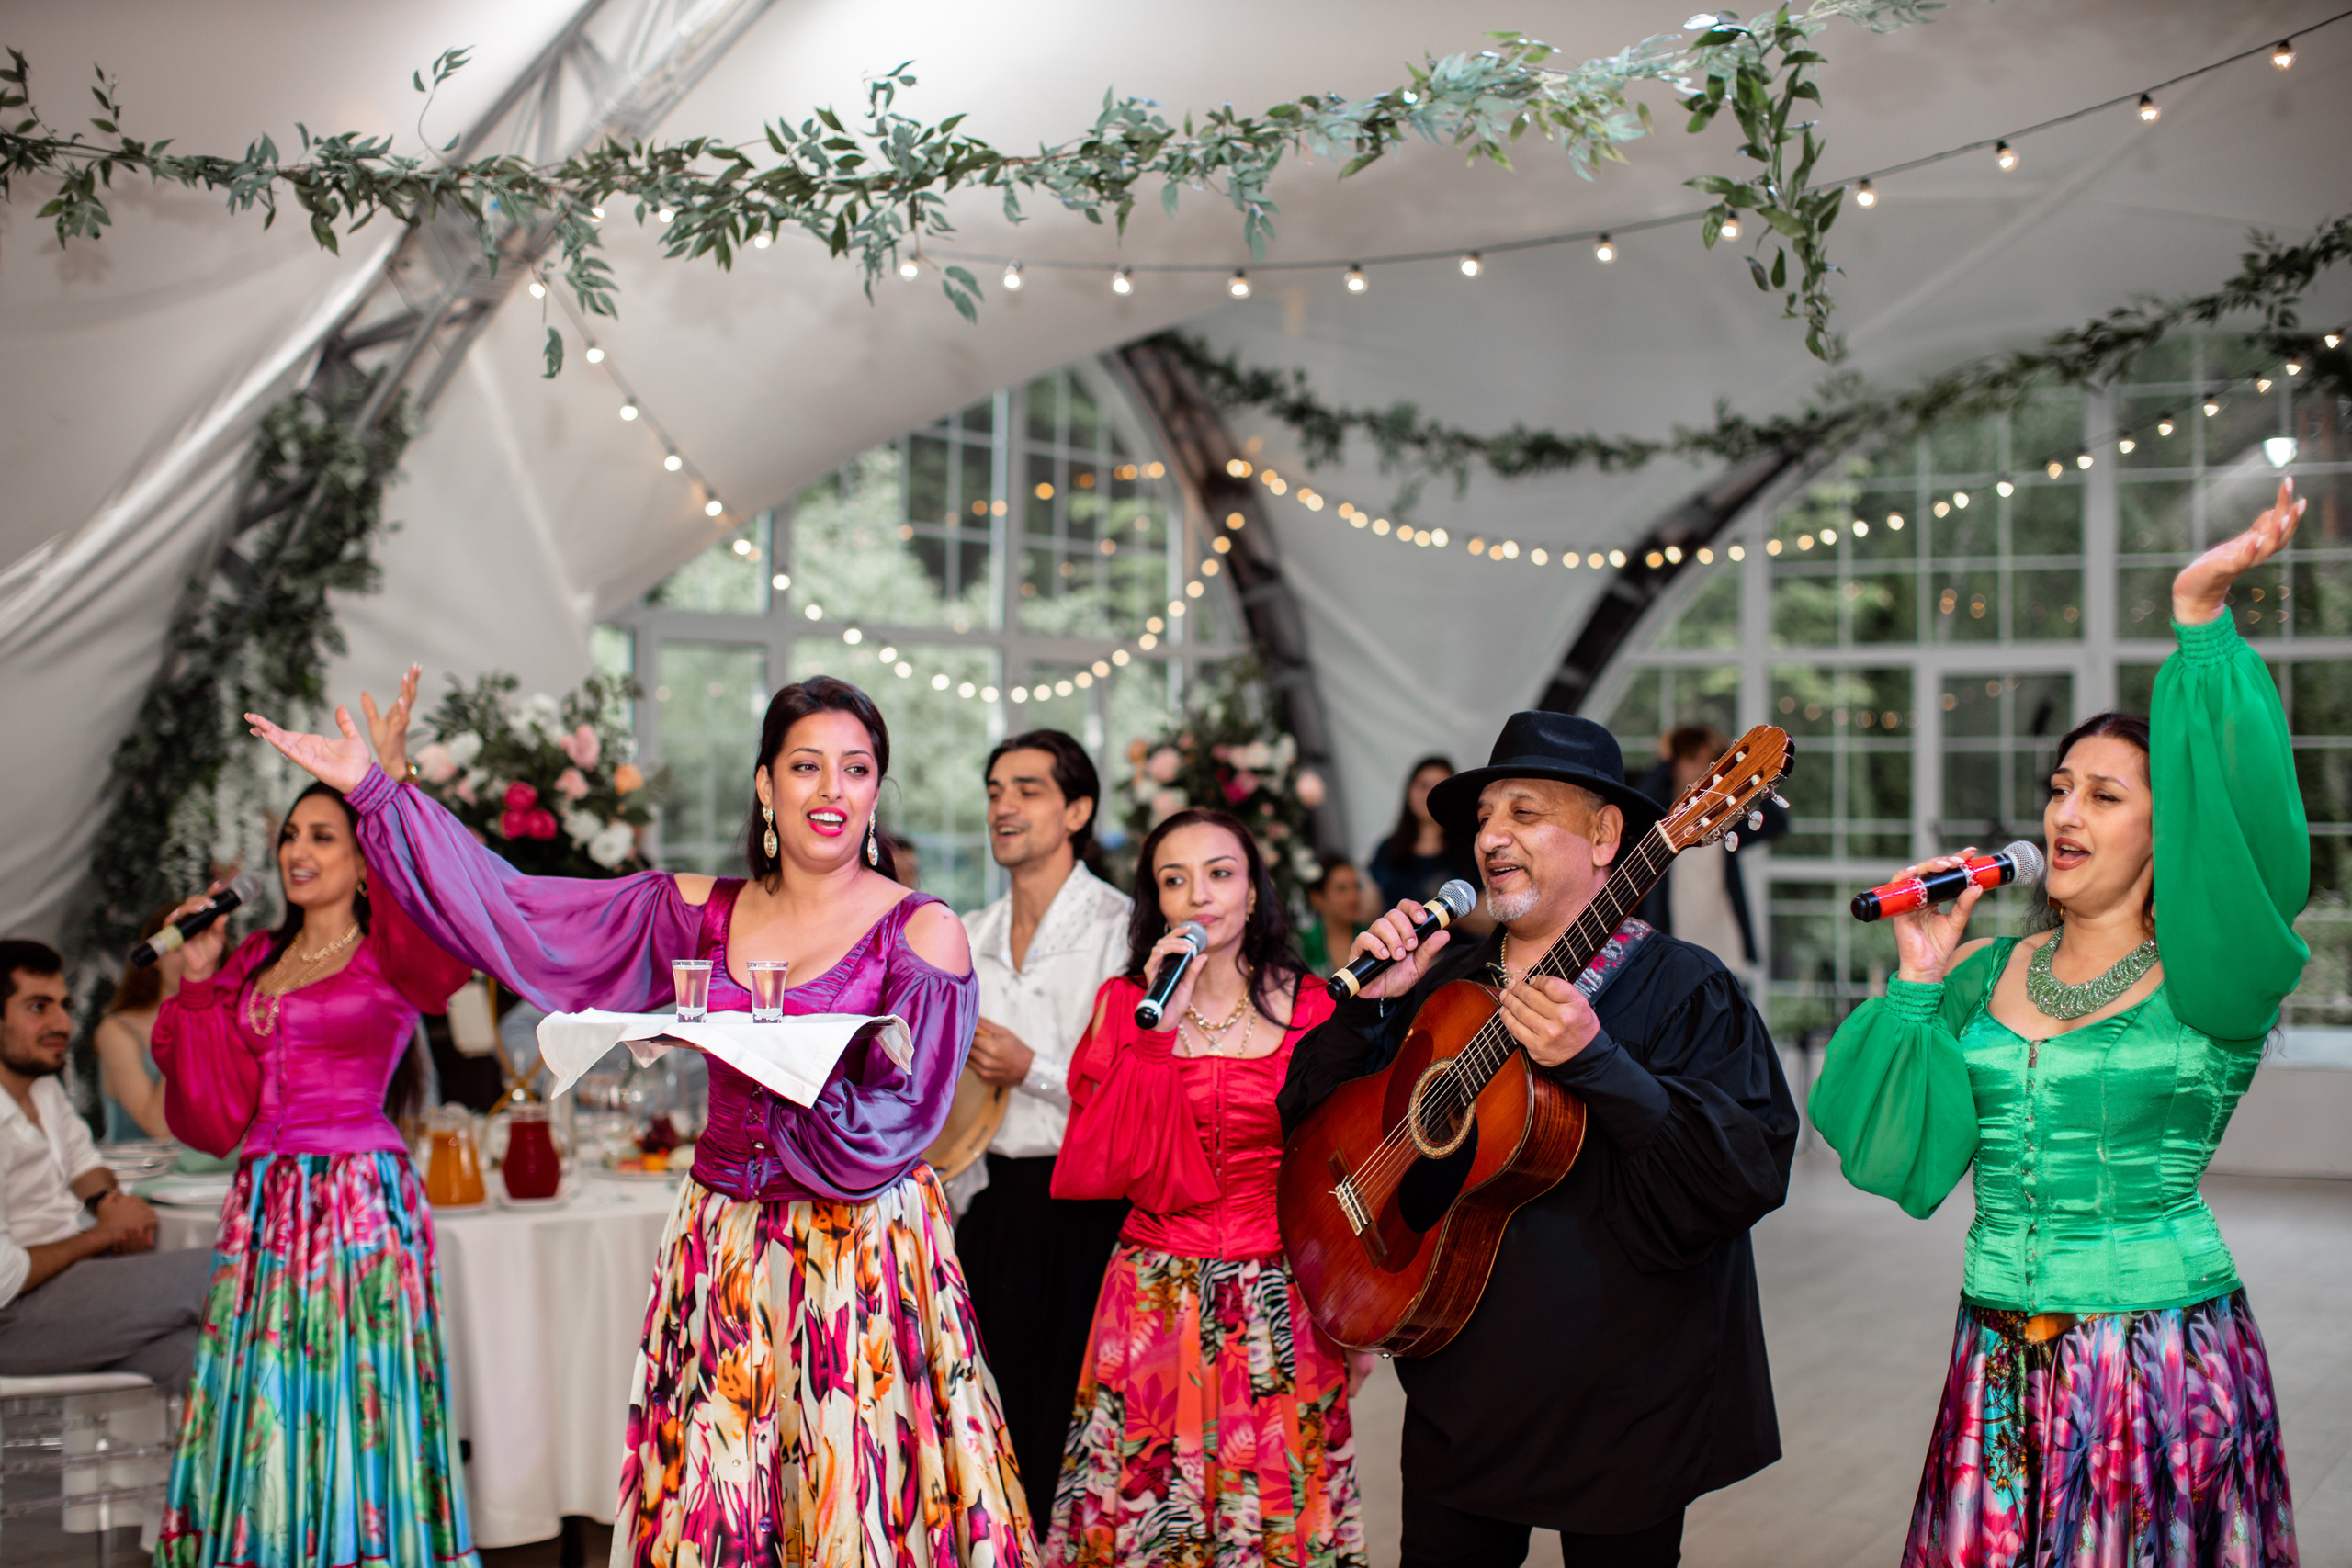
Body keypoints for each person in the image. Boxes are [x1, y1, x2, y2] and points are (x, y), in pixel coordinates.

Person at [245, 673, 1032, 1568]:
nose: (830, 790)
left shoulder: (921, 933)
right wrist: (378, 796)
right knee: (718, 1508)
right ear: (766, 785)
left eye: (855, 770)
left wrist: (744, 1052)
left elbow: (898, 1126)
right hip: (722, 1250)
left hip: (854, 1263)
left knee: (851, 1511)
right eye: (805, 766)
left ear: (876, 793)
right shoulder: (696, 913)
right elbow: (513, 912)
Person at [1807, 480, 2309, 1567]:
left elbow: (2253, 825)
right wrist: (1914, 982)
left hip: (2159, 1355)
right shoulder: (1980, 967)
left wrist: (2200, 625)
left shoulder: (2213, 977)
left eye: (2105, 795)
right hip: (1995, 1356)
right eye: (2058, 788)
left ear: (2167, 835)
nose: (2065, 813)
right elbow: (1896, 1158)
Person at [1280, 711, 1797, 1568]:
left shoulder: (1684, 987)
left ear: (1605, 836)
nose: (1491, 836)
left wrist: (1601, 1064)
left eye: (1524, 812)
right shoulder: (1445, 980)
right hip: (1461, 1389)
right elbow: (1308, 1121)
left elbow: (1745, 1169)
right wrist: (1368, 1009)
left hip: (1623, 1400)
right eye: (1484, 818)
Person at [151, 764, 477, 1568]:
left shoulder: (394, 947)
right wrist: (197, 976)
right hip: (264, 1205)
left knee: (352, 1393)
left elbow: (450, 957)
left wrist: (387, 787)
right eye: (291, 835)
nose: (299, 850)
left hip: (360, 1201)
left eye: (322, 836)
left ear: (367, 861)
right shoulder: (253, 957)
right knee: (258, 1395)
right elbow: (211, 1113)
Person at [1046, 807, 1369, 1568]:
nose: (1201, 895)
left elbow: (1345, 1171)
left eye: (1220, 873)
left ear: (1254, 891)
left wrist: (1357, 1312)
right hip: (1153, 1297)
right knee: (1153, 1517)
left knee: (1283, 1515)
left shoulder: (1320, 1005)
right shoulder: (1126, 1007)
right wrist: (1159, 1032)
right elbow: (1105, 1158)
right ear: (1156, 903)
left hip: (1279, 1300)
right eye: (1175, 879)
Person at [956, 729, 1134, 1530]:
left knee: (1076, 1428)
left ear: (1077, 810)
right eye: (995, 789)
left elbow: (1137, 1091)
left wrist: (1032, 1065)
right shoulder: (964, 933)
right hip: (989, 1201)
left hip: (1089, 1207)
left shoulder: (1121, 929)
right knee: (989, 1421)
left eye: (1027, 788)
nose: (1004, 804)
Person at [0, 939, 209, 1390]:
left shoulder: (41, 1088)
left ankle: (233, 1459)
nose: (61, 1023)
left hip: (67, 1292)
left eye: (64, 1005)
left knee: (196, 1354)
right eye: (38, 1007)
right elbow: (5, 1278)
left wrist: (107, 1202)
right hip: (14, 1318)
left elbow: (84, 1163)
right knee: (229, 1269)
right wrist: (103, 1234)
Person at [1633, 725, 1788, 988]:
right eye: (1692, 761)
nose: (1700, 770)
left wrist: (1735, 771)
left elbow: (1776, 821)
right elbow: (1638, 801)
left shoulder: (1724, 815)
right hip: (1670, 945)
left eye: (1709, 763)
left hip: (1724, 946)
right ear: (1675, 764)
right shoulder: (1657, 813)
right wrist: (1664, 759)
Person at [95, 904, 181, 1140]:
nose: (193, 958)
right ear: (155, 955)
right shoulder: (118, 1030)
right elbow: (159, 1129)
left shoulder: (231, 1023)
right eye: (179, 946)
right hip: (140, 1172)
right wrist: (189, 1026)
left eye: (203, 945)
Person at [1366, 754, 1479, 911]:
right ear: (1409, 792)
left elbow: (1488, 916)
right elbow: (1367, 912)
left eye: (1439, 786)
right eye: (1423, 786)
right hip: (1397, 935)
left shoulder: (1472, 848)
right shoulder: (1387, 848)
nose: (1430, 794)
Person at [1297, 854, 1366, 973]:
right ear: (1317, 898)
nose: (1353, 897)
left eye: (1356, 886)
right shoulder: (1304, 945)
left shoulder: (1371, 937)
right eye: (1342, 889)